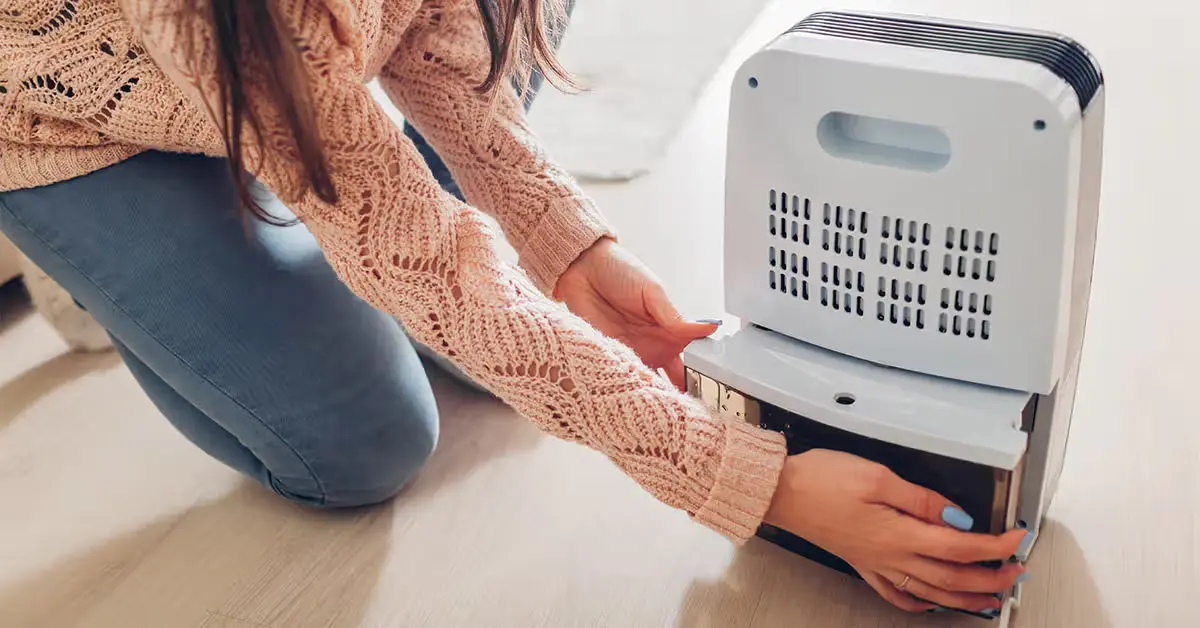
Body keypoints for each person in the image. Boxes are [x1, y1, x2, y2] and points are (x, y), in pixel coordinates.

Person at [0, 0, 1029, 616]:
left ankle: (306, 167)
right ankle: (166, 229)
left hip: (275, 74)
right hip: (67, 116)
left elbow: (433, 48)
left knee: (458, 302)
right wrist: (749, 483)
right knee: (365, 445)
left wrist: (569, 244)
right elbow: (430, 263)